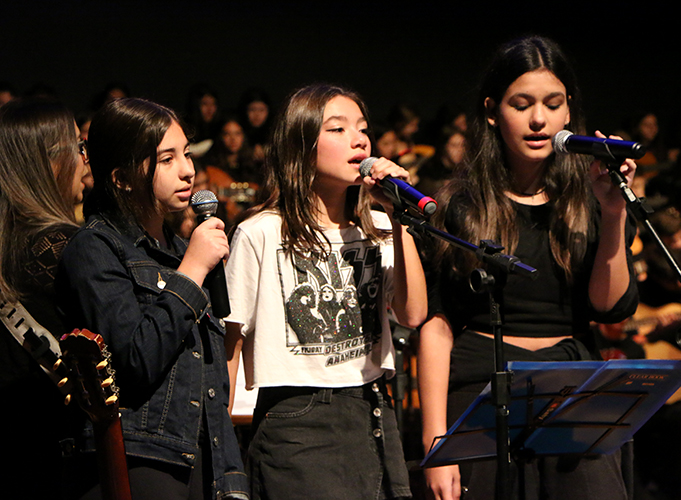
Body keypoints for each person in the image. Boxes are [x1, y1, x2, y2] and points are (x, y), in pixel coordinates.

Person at [417, 36, 639, 500]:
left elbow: (609, 307)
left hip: (572, 391)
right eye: (522, 105)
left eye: (553, 104)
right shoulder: (460, 205)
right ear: (492, 111)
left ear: (568, 111)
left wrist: (614, 212)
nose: (539, 119)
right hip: (481, 391)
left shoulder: (593, 199)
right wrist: (436, 441)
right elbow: (437, 324)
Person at [223, 83, 427, 499]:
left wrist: (399, 217)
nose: (359, 140)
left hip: (373, 409)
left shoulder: (380, 228)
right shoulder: (261, 232)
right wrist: (222, 455)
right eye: (338, 129)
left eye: (363, 129)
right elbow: (230, 342)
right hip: (297, 420)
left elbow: (413, 313)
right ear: (300, 146)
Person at [56, 97, 249, 499]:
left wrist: (230, 475)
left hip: (205, 461)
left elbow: (210, 380)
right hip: (143, 461)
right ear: (122, 178)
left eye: (186, 153)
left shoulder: (180, 251)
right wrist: (192, 272)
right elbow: (132, 362)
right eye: (166, 159)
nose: (187, 170)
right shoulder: (95, 248)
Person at [0, 98, 89, 498]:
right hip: (55, 452)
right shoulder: (67, 247)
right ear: (51, 163)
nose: (85, 160)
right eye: (78, 146)